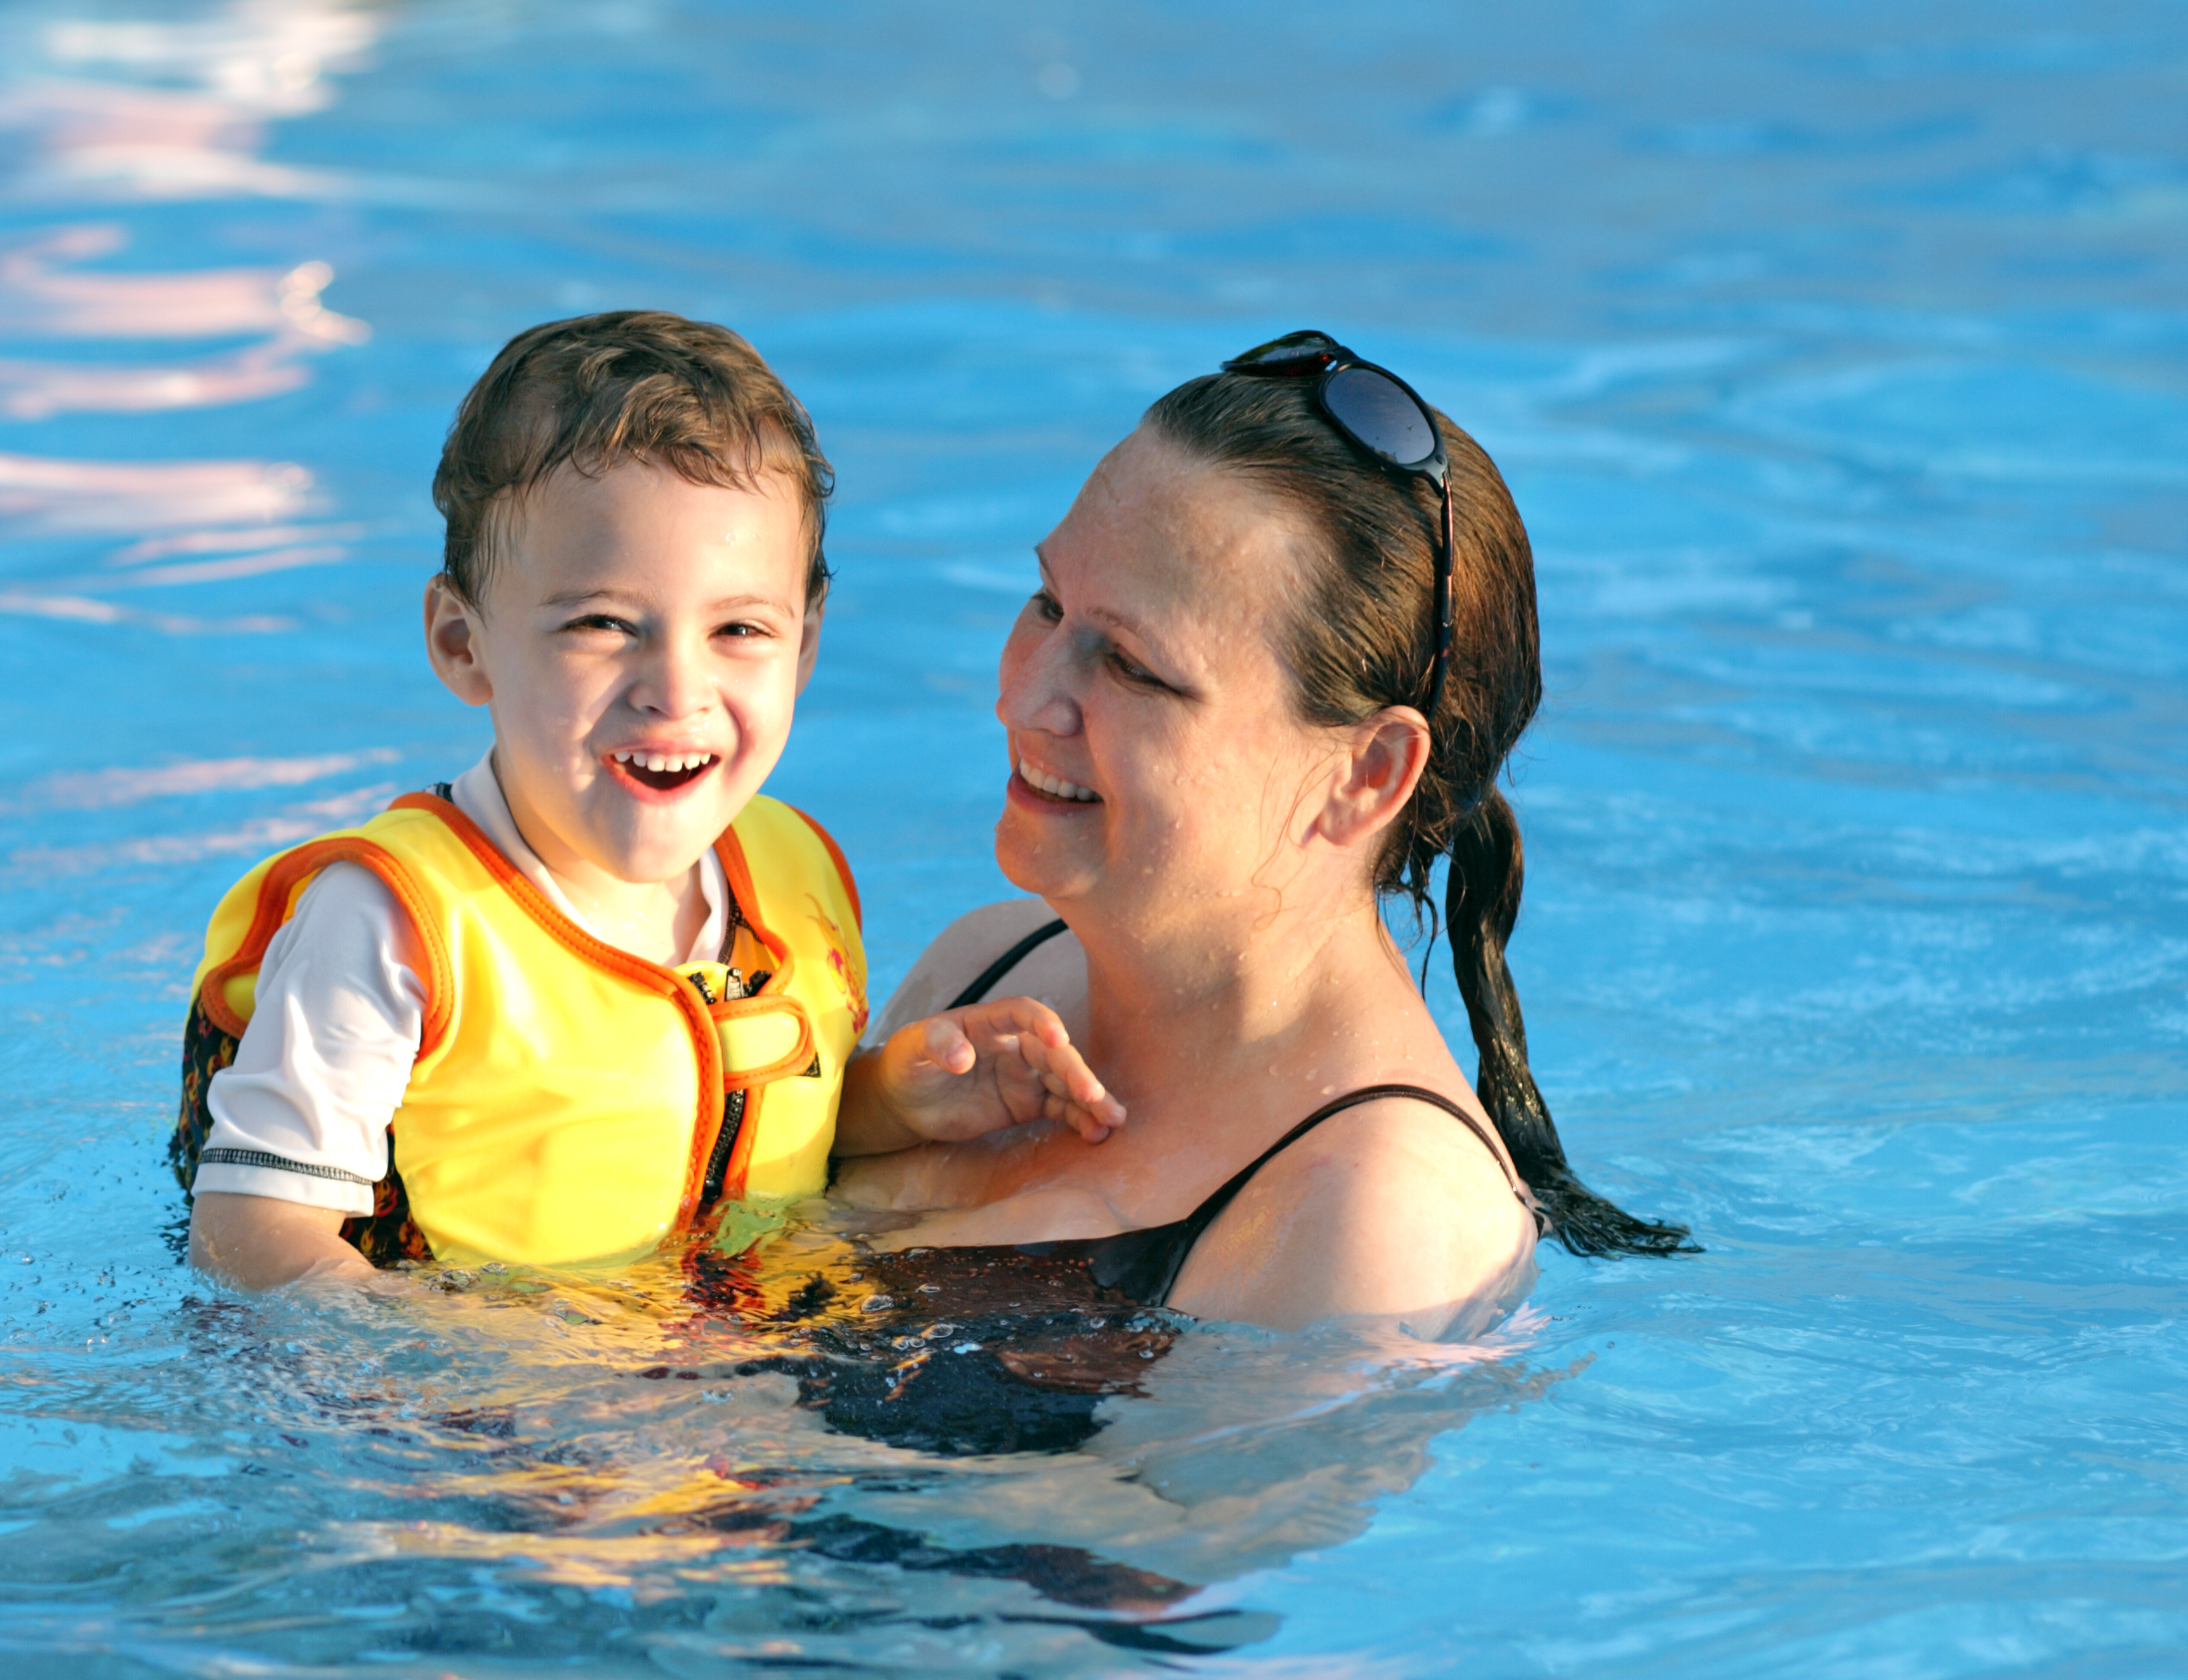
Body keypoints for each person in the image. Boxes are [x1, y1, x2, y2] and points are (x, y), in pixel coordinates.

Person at [177, 311, 1121, 1290]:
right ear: (463, 643)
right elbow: (250, 1237)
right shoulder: (394, 929)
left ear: (803, 646)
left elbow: (732, 1132)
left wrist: (894, 1100)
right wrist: (462, 1384)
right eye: (602, 623)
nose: (676, 688)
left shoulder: (793, 872)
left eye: (739, 629)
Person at [834, 331, 1690, 1336]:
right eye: (1048, 602)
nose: (1021, 698)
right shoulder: (986, 970)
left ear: (1365, 773)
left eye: (1135, 668)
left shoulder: (1378, 1217)